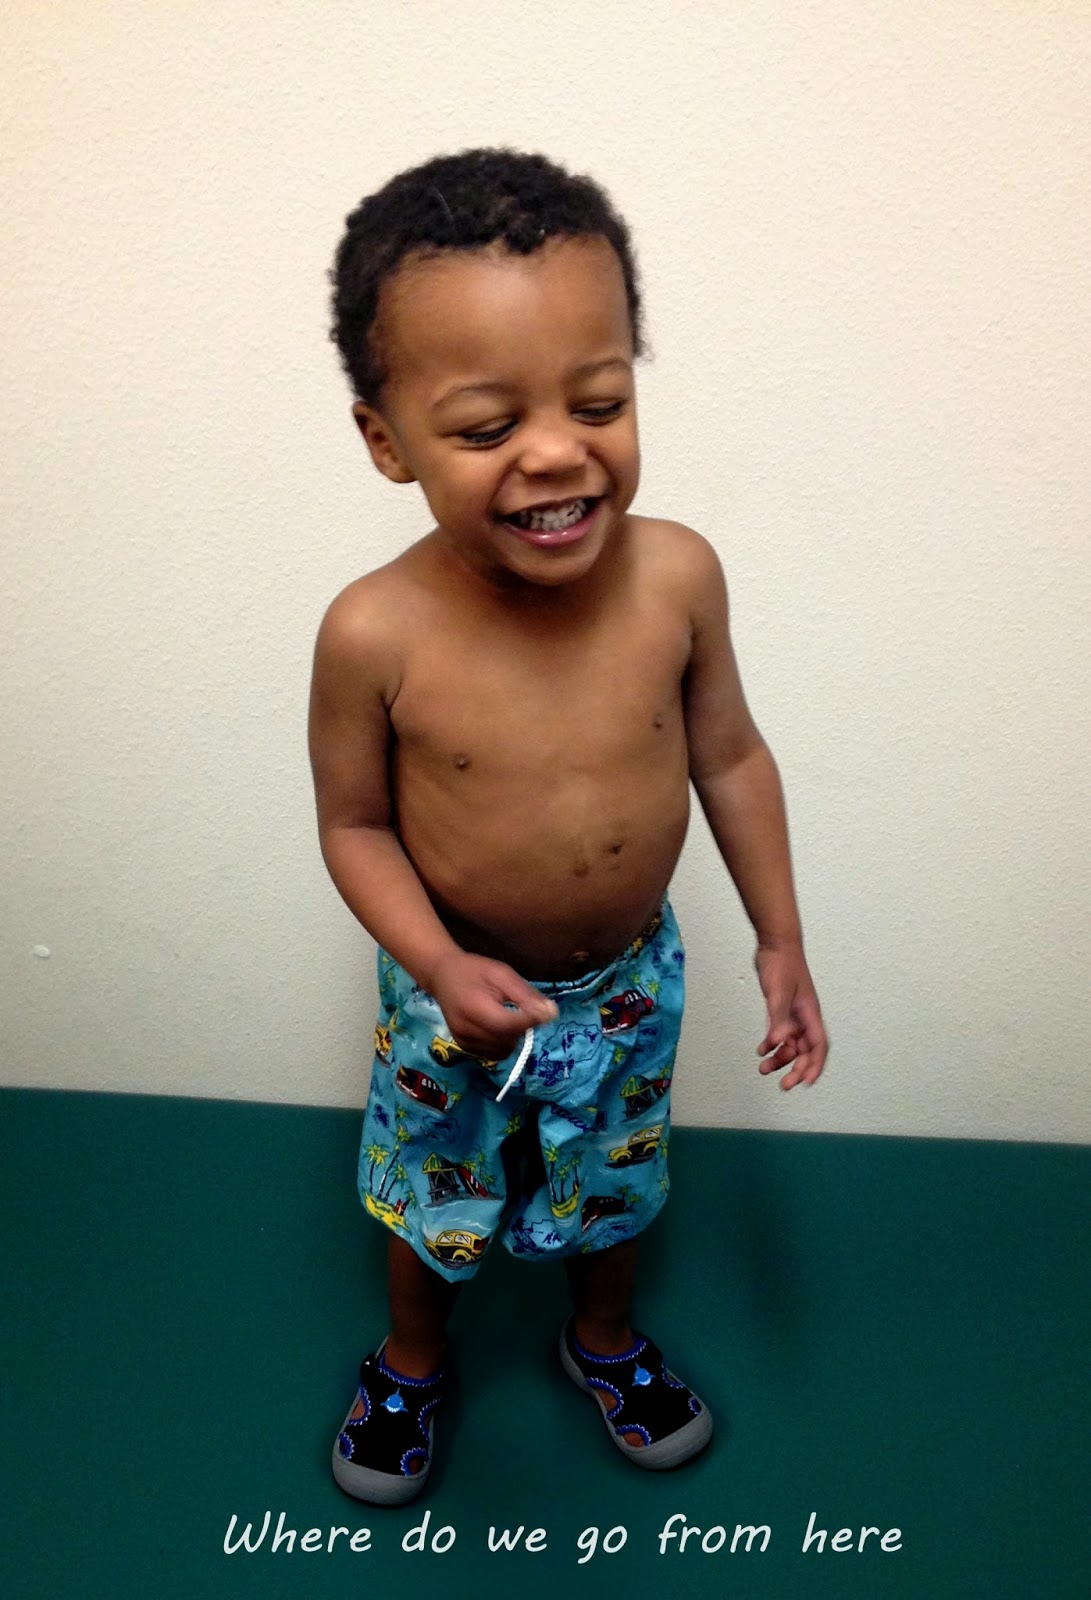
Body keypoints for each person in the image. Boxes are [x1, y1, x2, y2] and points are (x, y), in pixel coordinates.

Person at [310, 148, 827, 1505]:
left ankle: (602, 1339)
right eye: (487, 427)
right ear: (386, 441)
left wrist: (780, 939)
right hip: (452, 993)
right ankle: (413, 1361)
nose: (556, 449)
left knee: (618, 1180)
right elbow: (355, 826)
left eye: (599, 401)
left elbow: (731, 755)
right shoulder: (373, 632)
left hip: (629, 981)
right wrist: (436, 965)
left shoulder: (678, 578)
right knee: (434, 1192)